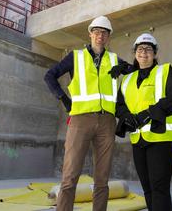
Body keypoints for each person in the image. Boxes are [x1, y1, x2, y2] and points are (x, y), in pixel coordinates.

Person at [44, 15, 132, 211]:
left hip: (107, 122)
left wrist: (127, 67)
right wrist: (65, 100)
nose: (100, 36)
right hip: (80, 120)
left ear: (109, 37)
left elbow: (136, 72)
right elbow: (49, 76)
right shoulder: (75, 57)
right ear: (90, 33)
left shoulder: (113, 59)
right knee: (70, 176)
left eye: (105, 33)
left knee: (102, 178)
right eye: (97, 32)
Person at [114, 33, 172, 211]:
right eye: (140, 49)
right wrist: (125, 116)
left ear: (155, 53)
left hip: (162, 140)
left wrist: (147, 114)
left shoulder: (166, 71)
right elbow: (119, 105)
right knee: (148, 189)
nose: (144, 53)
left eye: (148, 49)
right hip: (139, 141)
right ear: (135, 53)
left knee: (159, 188)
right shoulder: (127, 80)